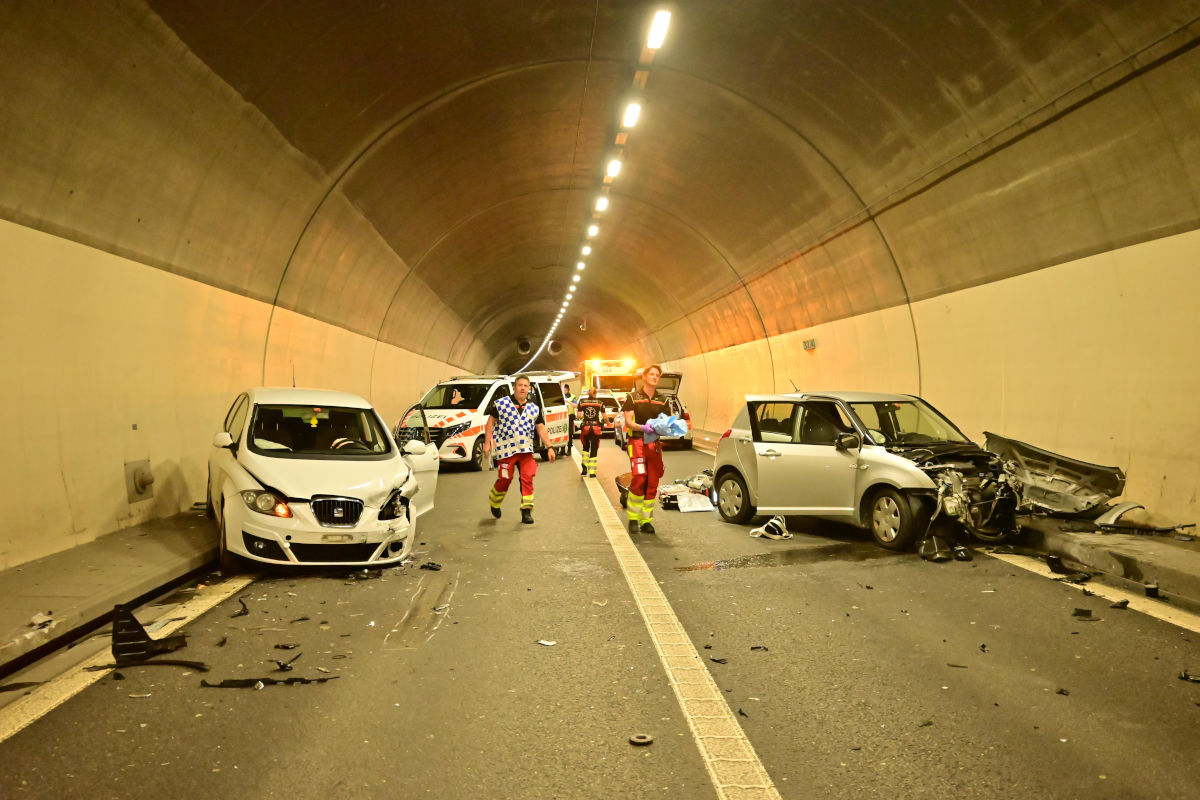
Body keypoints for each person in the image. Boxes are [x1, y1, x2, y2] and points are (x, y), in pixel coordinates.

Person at [482, 375, 556, 524]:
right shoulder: (501, 404)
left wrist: (550, 447)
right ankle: (495, 501)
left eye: (525, 386)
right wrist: (487, 443)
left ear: (529, 389)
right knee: (505, 479)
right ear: (514, 387)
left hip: (525, 451)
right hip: (506, 450)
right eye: (520, 385)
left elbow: (541, 428)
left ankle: (526, 511)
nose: (522, 388)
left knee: (527, 478)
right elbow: (490, 422)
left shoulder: (534, 408)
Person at [623, 364, 667, 534]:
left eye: (657, 375)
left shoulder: (662, 399)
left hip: (654, 445)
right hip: (637, 442)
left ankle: (646, 521)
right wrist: (643, 428)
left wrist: (671, 427)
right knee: (640, 478)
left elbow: (666, 421)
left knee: (653, 482)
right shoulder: (632, 397)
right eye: (652, 374)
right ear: (644, 377)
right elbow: (628, 422)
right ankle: (633, 518)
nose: (655, 377)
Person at [576, 386, 605, 478]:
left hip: (586, 428)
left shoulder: (582, 402)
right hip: (596, 428)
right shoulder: (600, 403)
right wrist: (608, 423)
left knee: (585, 447)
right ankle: (592, 472)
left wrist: (584, 416)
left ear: (588, 393)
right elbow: (605, 417)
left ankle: (584, 469)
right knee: (594, 448)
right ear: (596, 393)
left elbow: (579, 416)